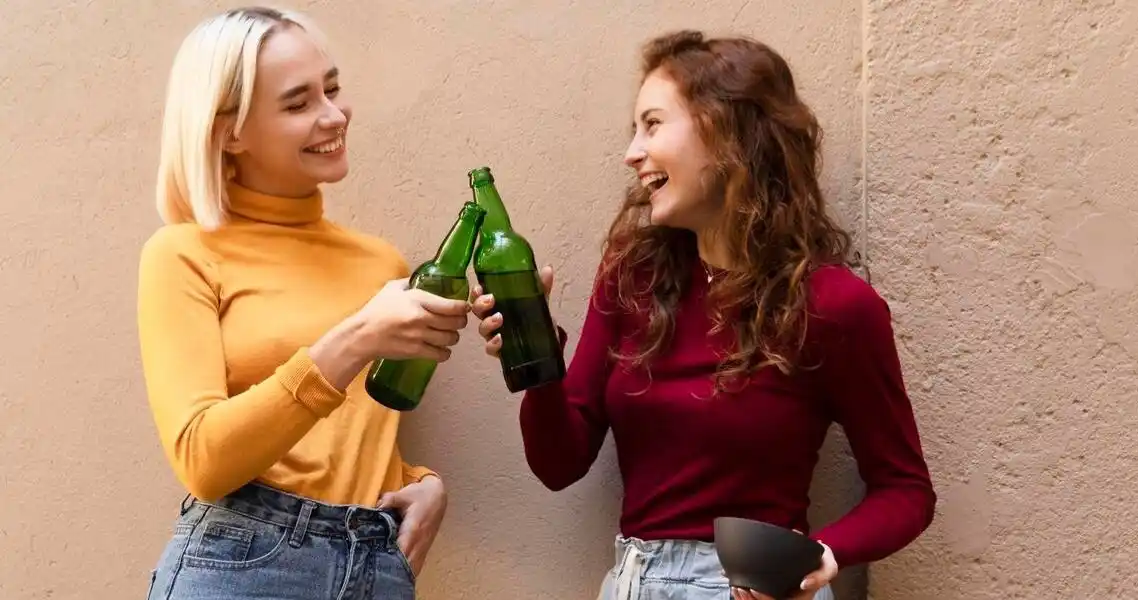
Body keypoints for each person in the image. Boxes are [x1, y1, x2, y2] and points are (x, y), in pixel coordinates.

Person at [471, 30, 937, 600]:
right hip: (631, 582)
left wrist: (818, 556)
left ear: (725, 132)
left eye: (653, 124)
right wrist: (536, 353)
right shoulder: (630, 277)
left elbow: (906, 489)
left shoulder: (835, 306)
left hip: (754, 589)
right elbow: (558, 464)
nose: (631, 152)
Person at [137, 7, 470, 599]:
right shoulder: (183, 255)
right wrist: (355, 339)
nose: (333, 115)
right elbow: (202, 459)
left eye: (333, 89)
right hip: (242, 563)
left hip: (373, 562)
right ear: (227, 131)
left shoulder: (382, 266)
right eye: (298, 104)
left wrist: (420, 483)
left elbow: (350, 441)